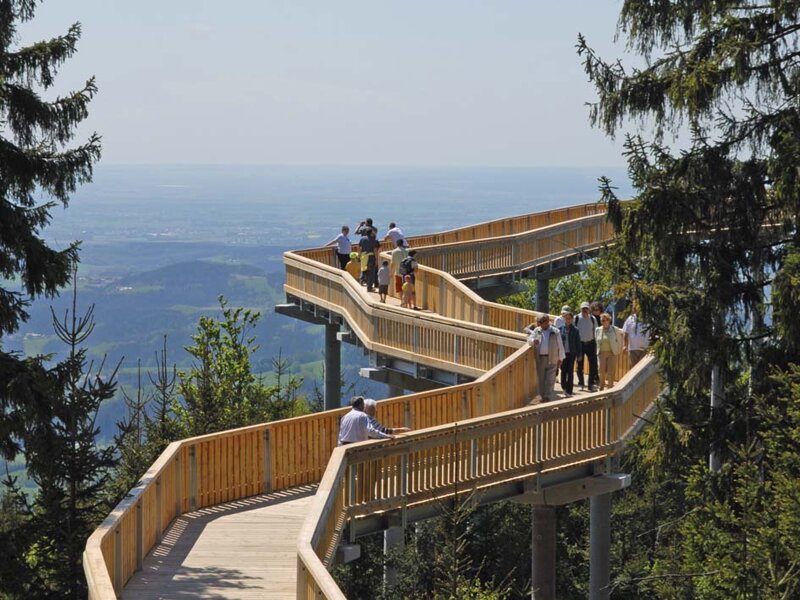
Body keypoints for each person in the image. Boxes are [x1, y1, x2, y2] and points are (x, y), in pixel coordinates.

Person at [525, 314, 565, 402]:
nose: (539, 324)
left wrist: (561, 358)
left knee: (550, 379)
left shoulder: (555, 331)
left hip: (552, 357)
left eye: (541, 322)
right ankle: (542, 396)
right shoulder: (537, 330)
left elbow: (560, 345)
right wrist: (533, 341)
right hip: (540, 358)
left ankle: (548, 396)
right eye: (539, 322)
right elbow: (529, 340)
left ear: (547, 321)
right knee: (541, 378)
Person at [595, 312, 623, 391]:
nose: (604, 322)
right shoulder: (597, 330)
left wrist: (620, 347)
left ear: (609, 320)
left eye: (606, 320)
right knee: (601, 371)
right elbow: (597, 341)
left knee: (611, 372)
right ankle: (601, 387)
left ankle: (610, 389)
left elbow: (623, 334)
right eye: (602, 320)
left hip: (612, 353)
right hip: (601, 353)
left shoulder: (615, 329)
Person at [575, 301, 599, 391]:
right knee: (579, 365)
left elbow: (596, 331)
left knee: (593, 365)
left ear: (589, 309)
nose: (585, 310)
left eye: (586, 308)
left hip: (591, 343)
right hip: (580, 344)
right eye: (583, 308)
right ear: (580, 309)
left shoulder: (593, 319)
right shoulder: (576, 318)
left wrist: (597, 343)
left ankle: (590, 384)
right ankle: (581, 383)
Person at [559, 311, 581, 396]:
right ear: (564, 319)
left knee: (570, 371)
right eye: (566, 318)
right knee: (563, 371)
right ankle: (564, 387)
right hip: (563, 353)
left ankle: (569, 390)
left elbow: (578, 343)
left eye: (569, 318)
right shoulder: (560, 329)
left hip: (571, 353)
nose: (567, 320)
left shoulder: (575, 330)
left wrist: (579, 354)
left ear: (572, 319)